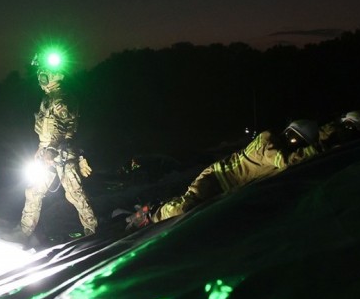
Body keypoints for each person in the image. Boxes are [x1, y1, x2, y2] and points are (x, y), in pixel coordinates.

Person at [126, 120, 321, 230]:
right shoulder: (268, 141)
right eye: (292, 137)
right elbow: (285, 162)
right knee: (187, 207)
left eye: (298, 142)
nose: (292, 143)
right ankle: (152, 213)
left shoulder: (280, 150)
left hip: (229, 188)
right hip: (217, 177)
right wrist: (320, 148)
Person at [18, 50, 98, 240]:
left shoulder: (63, 98)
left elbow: (62, 126)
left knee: (75, 194)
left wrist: (51, 149)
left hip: (63, 154)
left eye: (43, 75)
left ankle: (92, 230)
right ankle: (24, 232)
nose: (40, 79)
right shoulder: (49, 98)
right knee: (33, 192)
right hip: (47, 152)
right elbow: (46, 129)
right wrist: (41, 149)